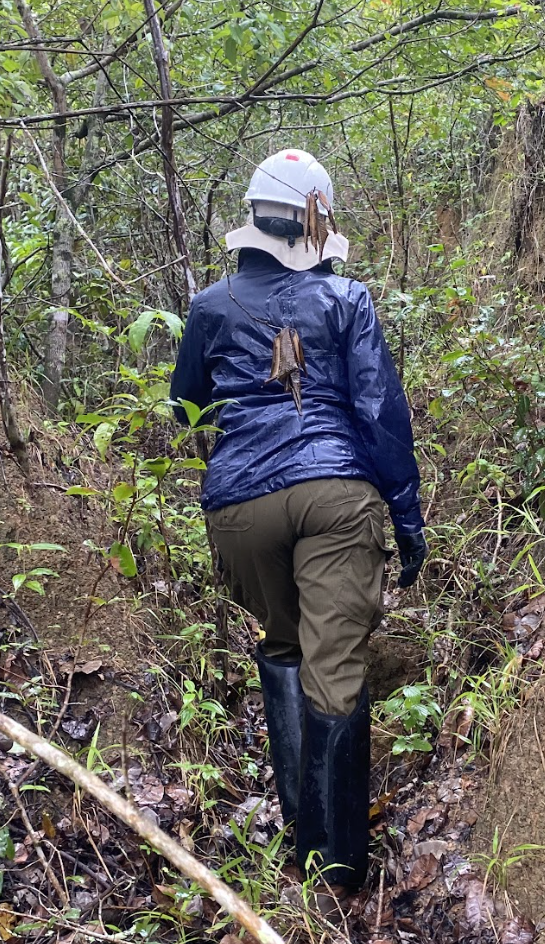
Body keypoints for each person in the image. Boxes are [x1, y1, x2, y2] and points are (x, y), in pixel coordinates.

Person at [170, 148, 428, 891]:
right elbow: (379, 415)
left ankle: (301, 853)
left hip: (239, 507)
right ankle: (340, 873)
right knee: (336, 671)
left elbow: (185, 404)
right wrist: (407, 521)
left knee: (285, 645)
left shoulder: (211, 305)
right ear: (318, 221)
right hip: (335, 495)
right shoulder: (347, 299)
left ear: (253, 220)